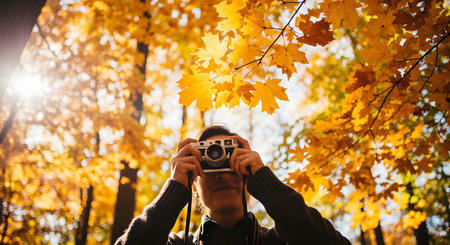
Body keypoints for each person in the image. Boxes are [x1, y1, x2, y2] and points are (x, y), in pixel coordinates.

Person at [114, 125, 351, 245]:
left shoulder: (281, 241)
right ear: (193, 186)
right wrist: (173, 191)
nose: (221, 174)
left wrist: (266, 181)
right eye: (208, 164)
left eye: (229, 162)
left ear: (250, 178)